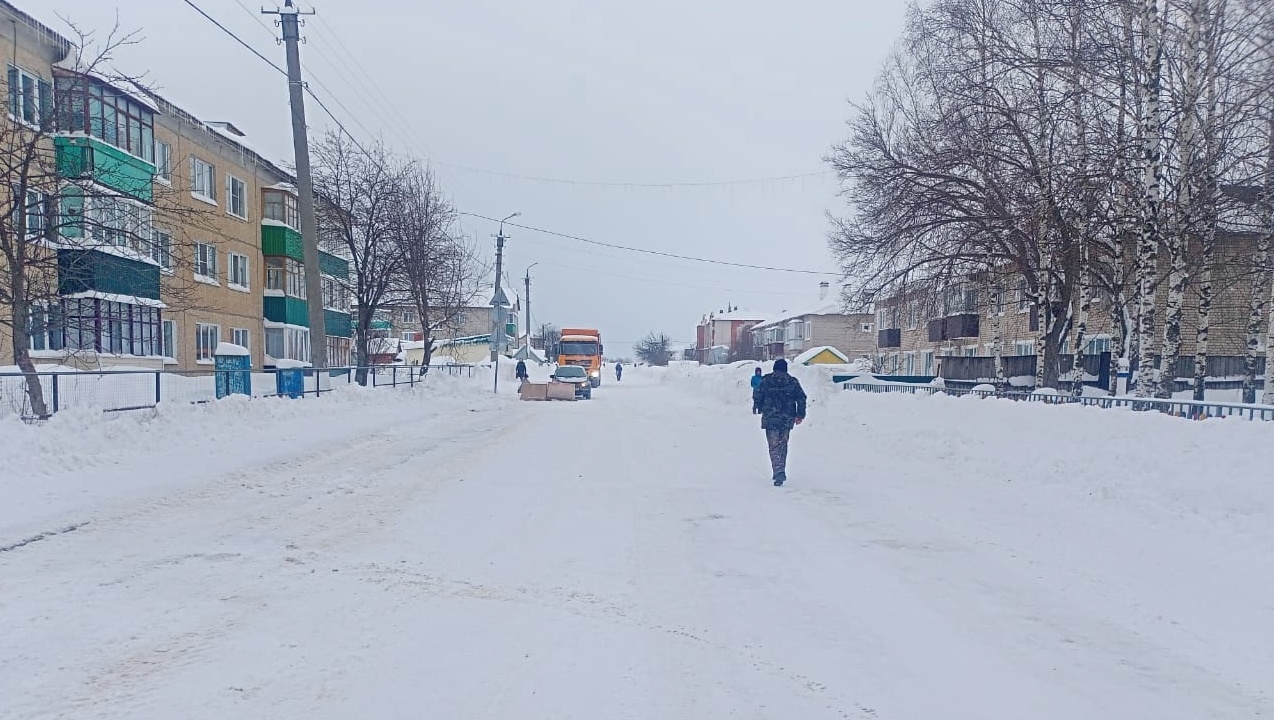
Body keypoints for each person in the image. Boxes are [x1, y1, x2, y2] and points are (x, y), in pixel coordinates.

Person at [752, 358, 807, 486]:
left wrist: (759, 407)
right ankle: (780, 469)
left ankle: (778, 470)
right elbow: (802, 398)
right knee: (783, 444)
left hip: (771, 418)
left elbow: (758, 395)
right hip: (787, 419)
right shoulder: (792, 382)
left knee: (773, 445)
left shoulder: (766, 380)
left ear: (774, 368)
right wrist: (800, 414)